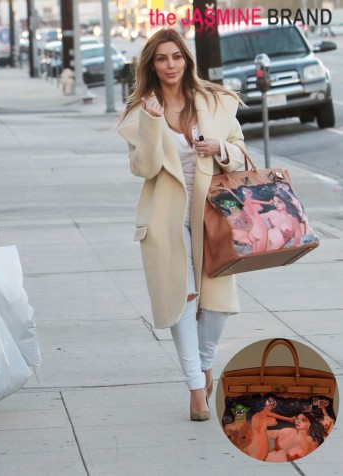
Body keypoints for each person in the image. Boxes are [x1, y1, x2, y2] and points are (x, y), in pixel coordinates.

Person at [116, 28, 246, 422]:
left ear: (186, 60)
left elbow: (241, 154)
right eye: (161, 58)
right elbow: (145, 168)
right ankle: (195, 387)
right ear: (151, 65)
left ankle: (206, 365)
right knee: (183, 301)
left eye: (176, 57)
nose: (170, 65)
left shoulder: (214, 102)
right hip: (167, 220)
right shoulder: (143, 112)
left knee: (218, 307)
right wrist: (154, 125)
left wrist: (220, 149)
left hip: (214, 216)